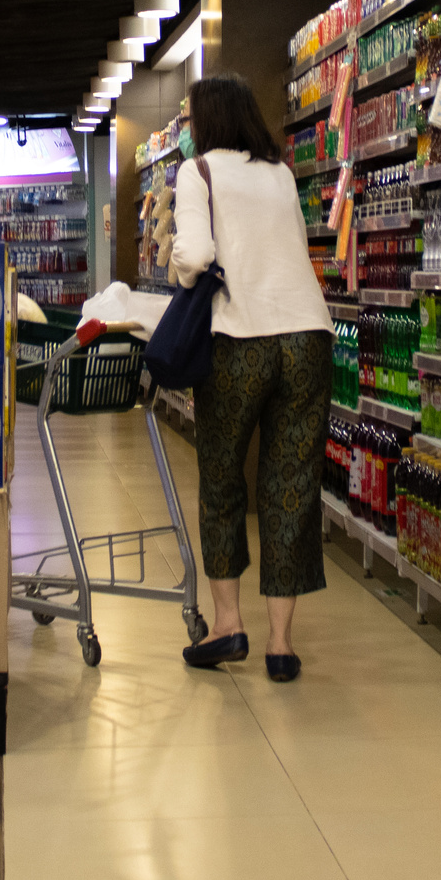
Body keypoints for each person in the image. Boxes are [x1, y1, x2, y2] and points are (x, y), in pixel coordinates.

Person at [169, 74, 334, 682]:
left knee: (222, 480)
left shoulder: (199, 172)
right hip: (308, 336)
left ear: (206, 120)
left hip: (240, 340)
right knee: (290, 485)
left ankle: (229, 626)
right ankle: (282, 645)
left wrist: (180, 274)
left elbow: (194, 255)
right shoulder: (281, 172)